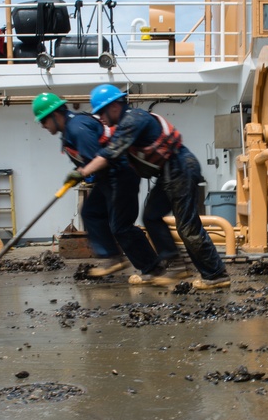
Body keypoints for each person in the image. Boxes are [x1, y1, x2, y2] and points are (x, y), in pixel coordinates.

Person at [73, 84, 231, 290]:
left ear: (113, 107)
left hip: (181, 167)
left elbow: (110, 153)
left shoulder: (133, 119)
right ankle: (174, 265)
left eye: (101, 112)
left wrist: (82, 172)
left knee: (187, 226)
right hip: (169, 171)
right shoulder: (125, 123)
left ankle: (216, 274)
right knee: (151, 216)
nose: (100, 118)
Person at [32, 92, 160, 279]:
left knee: (121, 226)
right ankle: (112, 257)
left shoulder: (77, 128)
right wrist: (82, 174)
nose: (43, 126)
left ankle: (153, 268)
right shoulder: (71, 127)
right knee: (91, 213)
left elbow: (100, 160)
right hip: (108, 178)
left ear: (55, 115)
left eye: (44, 121)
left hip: (120, 175)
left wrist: (82, 173)